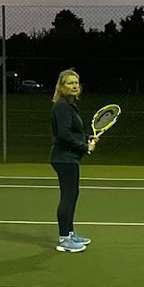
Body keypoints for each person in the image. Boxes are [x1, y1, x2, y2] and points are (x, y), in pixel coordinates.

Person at [49, 68, 96, 252]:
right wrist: (85, 147)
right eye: (69, 83)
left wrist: (87, 138)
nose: (74, 86)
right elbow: (64, 134)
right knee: (68, 197)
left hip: (69, 158)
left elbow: (73, 132)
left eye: (76, 83)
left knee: (73, 195)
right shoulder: (61, 106)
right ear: (61, 87)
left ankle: (70, 233)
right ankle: (64, 239)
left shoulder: (69, 105)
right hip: (64, 158)